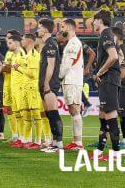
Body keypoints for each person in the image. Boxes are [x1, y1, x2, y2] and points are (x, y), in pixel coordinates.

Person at [92, 10, 122, 159]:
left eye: (94, 20)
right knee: (103, 115)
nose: (92, 23)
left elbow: (114, 57)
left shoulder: (106, 34)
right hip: (108, 79)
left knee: (110, 115)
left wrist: (99, 72)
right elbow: (119, 57)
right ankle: (99, 150)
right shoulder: (109, 34)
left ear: (99, 20)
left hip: (109, 79)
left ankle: (116, 152)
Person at [37, 18, 63, 152]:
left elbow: (51, 66)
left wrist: (46, 83)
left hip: (50, 84)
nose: (37, 30)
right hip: (43, 84)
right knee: (49, 114)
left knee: (53, 113)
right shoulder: (46, 44)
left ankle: (58, 144)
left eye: (39, 27)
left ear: (45, 29)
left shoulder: (51, 44)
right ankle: (54, 142)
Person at [58, 19, 85, 150]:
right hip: (71, 80)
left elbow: (67, 65)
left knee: (74, 109)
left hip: (72, 80)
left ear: (69, 28)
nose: (61, 29)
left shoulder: (73, 43)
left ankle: (78, 142)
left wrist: (57, 77)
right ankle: (76, 141)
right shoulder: (72, 43)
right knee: (73, 110)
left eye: (62, 27)